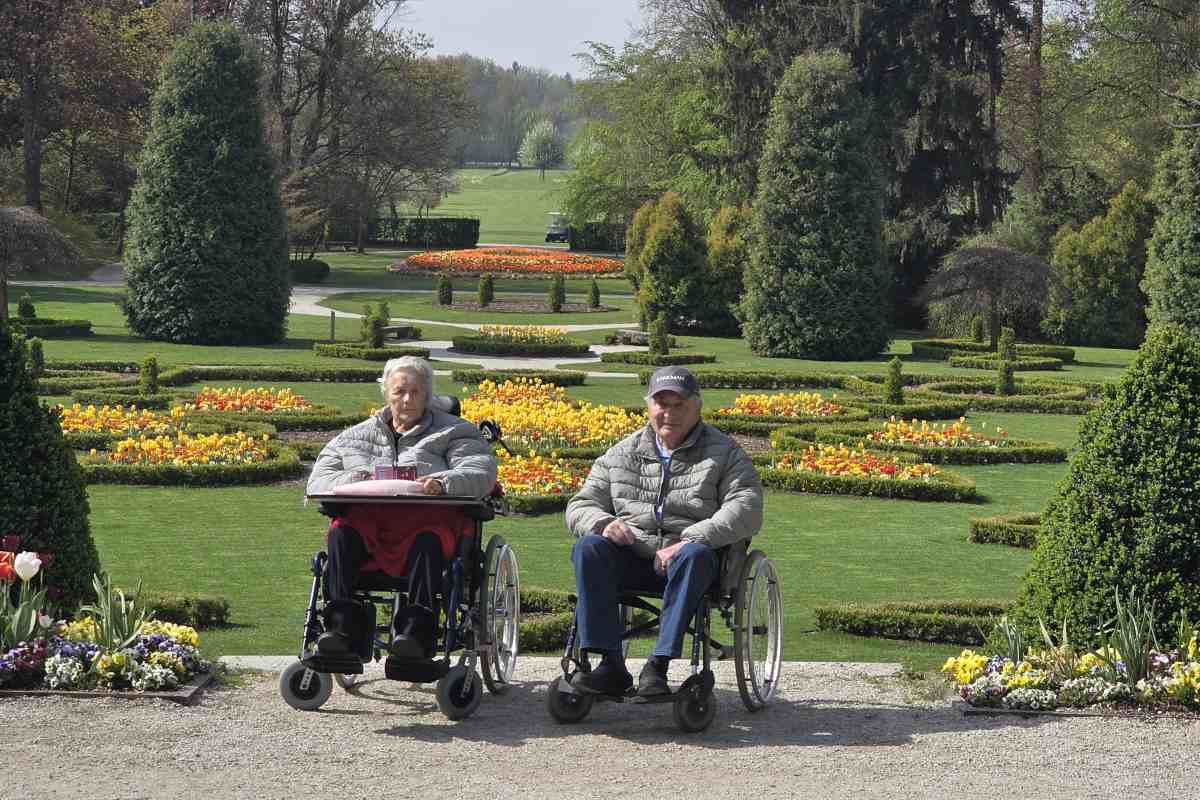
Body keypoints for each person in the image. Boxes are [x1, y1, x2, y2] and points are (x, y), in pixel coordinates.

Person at [565, 366, 764, 697]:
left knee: (696, 554)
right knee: (589, 547)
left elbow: (747, 508)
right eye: (661, 403)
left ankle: (658, 665)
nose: (668, 413)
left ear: (697, 406)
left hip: (689, 562)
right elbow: (579, 505)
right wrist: (603, 523)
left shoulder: (725, 453)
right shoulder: (621, 453)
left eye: (678, 404)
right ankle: (610, 664)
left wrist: (692, 537)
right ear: (649, 406)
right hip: (633, 555)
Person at [306, 355, 497, 659]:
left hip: (427, 523)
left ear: (428, 396)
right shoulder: (353, 437)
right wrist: (361, 478)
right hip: (369, 526)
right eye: (399, 392)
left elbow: (481, 472)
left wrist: (442, 482)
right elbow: (318, 482)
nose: (407, 399)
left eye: (415, 392)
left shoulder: (456, 432)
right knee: (340, 533)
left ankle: (414, 635)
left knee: (428, 539)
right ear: (386, 393)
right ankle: (340, 630)